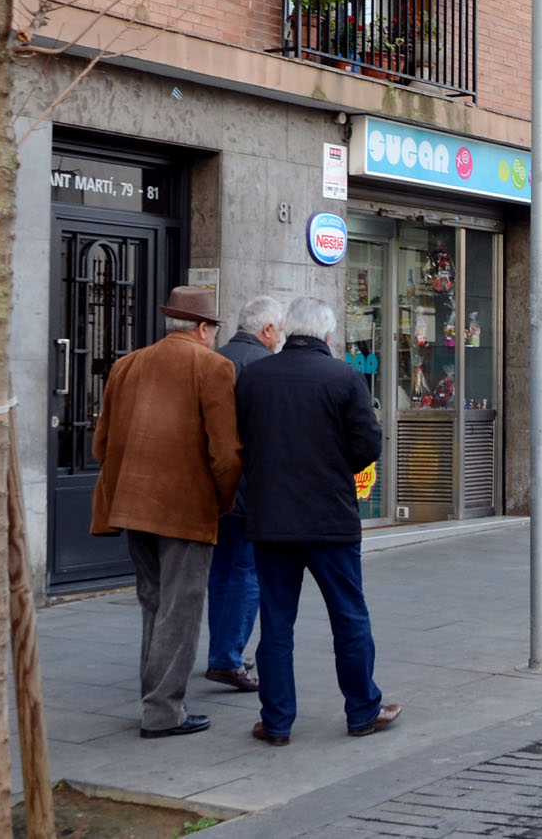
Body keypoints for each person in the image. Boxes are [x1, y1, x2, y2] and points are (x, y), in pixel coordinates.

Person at [237, 295, 398, 745]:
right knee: (348, 617)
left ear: (287, 331)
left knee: (276, 624)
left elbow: (242, 438)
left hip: (271, 521)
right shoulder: (344, 376)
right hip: (331, 520)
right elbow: (368, 445)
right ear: (326, 335)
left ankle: (277, 721)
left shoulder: (254, 377)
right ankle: (363, 710)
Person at [89, 286, 243, 739]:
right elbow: (227, 453)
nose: (214, 337)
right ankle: (162, 711)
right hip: (185, 507)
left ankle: (153, 699)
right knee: (180, 608)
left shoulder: (127, 364)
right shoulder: (213, 367)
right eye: (213, 328)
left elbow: (101, 443)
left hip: (131, 503)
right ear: (202, 328)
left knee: (153, 605)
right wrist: (223, 500)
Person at [204, 295, 286, 694]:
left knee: (221, 571)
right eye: (279, 330)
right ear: (267, 330)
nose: (280, 338)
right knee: (246, 571)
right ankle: (227, 657)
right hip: (249, 486)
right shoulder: (263, 367)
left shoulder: (215, 359)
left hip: (213, 485)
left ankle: (223, 649)